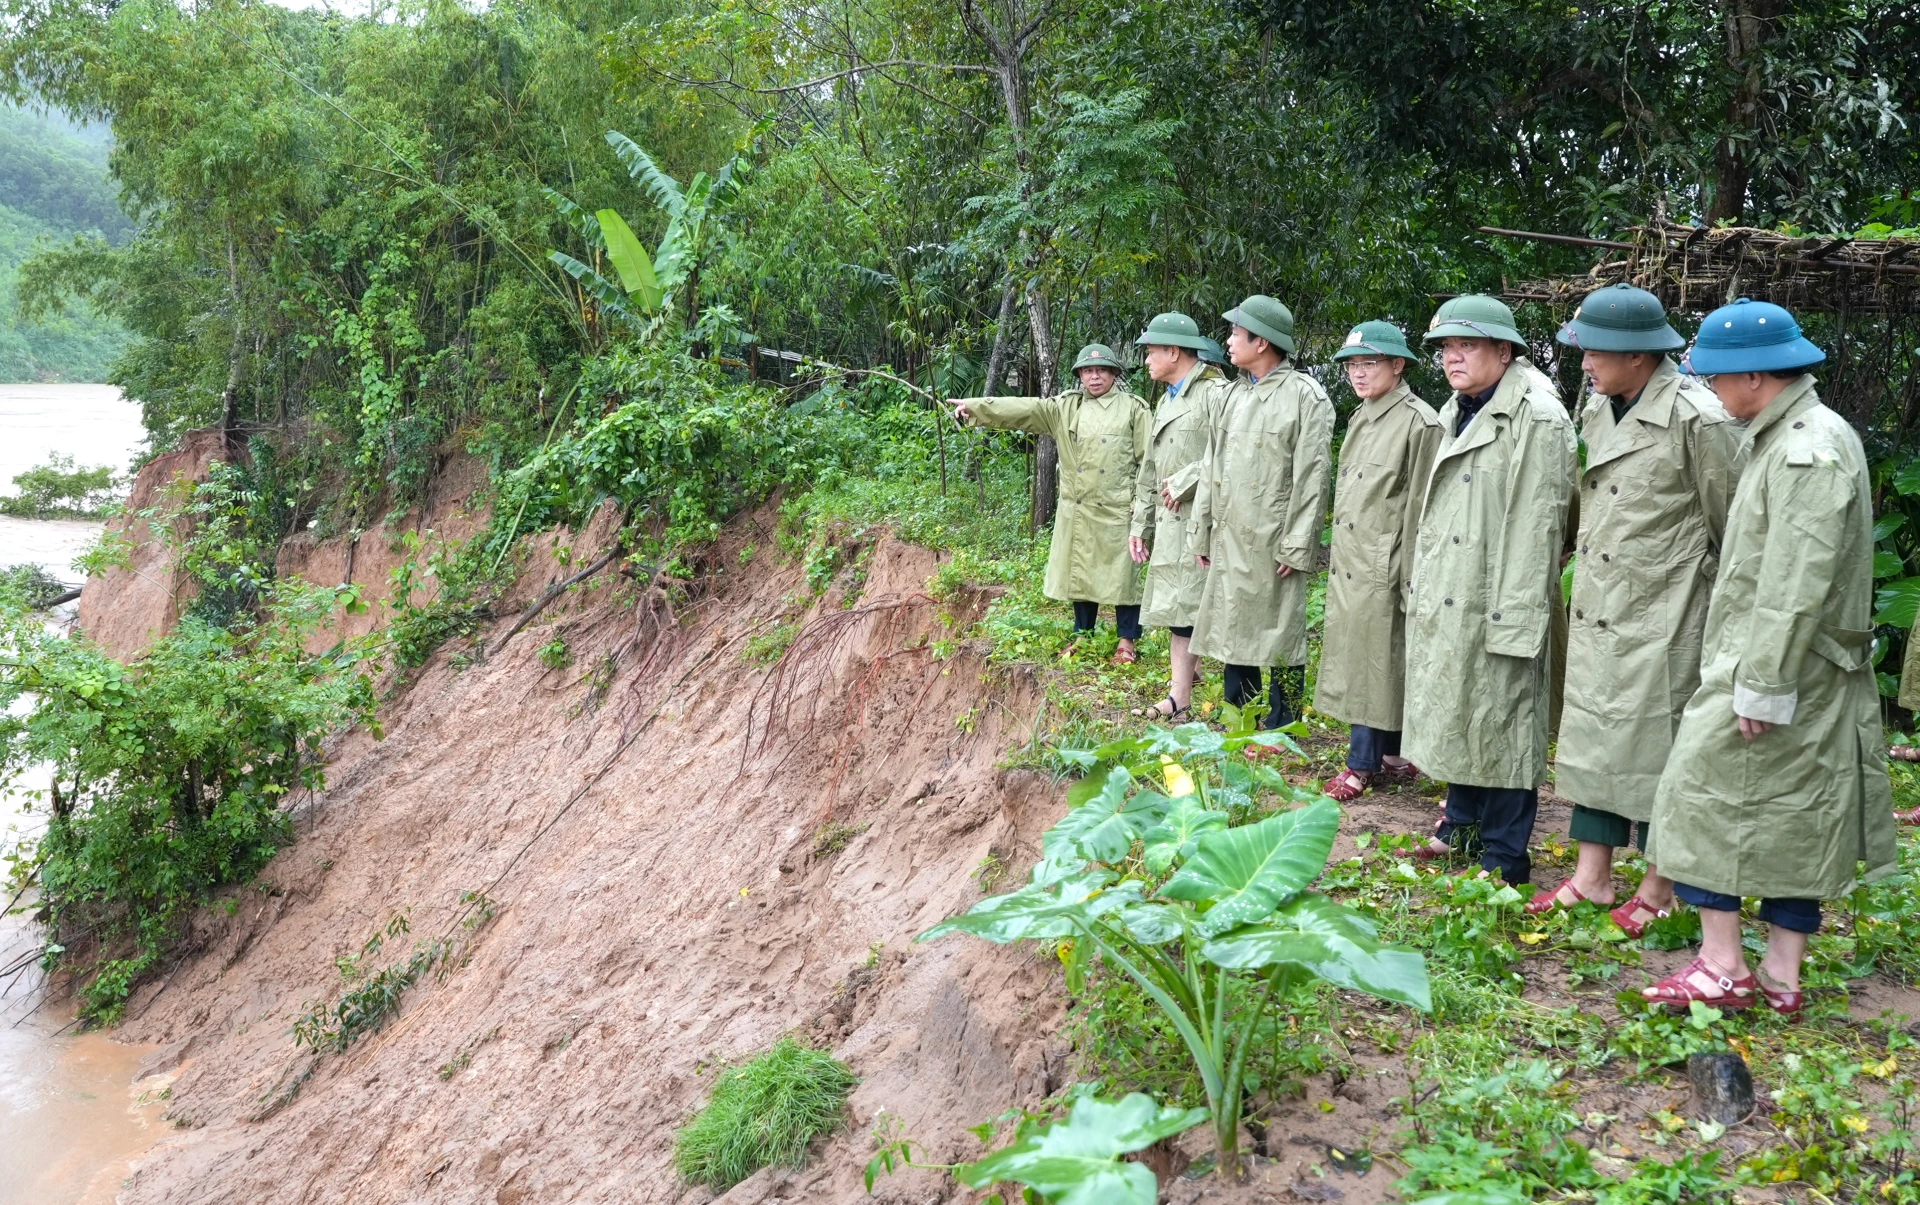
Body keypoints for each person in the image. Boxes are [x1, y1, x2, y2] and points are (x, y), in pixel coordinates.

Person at [1641, 299, 1897, 1015]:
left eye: (1717, 376)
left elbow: (1794, 578)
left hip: (1779, 665)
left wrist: (1763, 682)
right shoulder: (1791, 433)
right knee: (1797, 814)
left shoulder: (1804, 447)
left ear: (1754, 375)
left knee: (1697, 797)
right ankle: (1781, 976)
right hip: (1788, 663)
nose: (1712, 389)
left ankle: (1725, 965)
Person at [1527, 284, 1743, 933]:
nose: (1585, 361)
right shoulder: (1601, 406)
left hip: (1666, 616)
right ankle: (1591, 876)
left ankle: (1659, 886)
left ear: (1639, 356)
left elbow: (1734, 528)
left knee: (1659, 748)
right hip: (1601, 605)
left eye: (1596, 351)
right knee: (1594, 740)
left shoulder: (1699, 418)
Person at [1404, 295, 1577, 887]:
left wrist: (1518, 613)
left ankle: (1505, 855)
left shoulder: (1538, 414)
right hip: (1456, 580)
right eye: (1446, 347)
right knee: (1461, 702)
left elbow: (1541, 522)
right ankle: (1461, 823)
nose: (1452, 357)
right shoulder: (1461, 406)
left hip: (1502, 590)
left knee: (1506, 717)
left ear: (1504, 352)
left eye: (1467, 345)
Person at [952, 343, 1151, 663]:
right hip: (1079, 509)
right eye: (1088, 371)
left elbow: (1148, 461)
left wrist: (1142, 506)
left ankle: (1126, 643)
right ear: (1080, 375)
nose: (1095, 376)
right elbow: (1025, 409)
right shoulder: (1065, 407)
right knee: (1081, 573)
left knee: (1123, 578)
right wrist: (975, 408)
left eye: (1101, 370)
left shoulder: (1133, 409)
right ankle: (1082, 636)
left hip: (1118, 507)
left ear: (1114, 373)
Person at [1190, 295, 1334, 729]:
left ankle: (1284, 722)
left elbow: (1313, 477)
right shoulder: (1231, 394)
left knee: (1282, 631)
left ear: (1262, 342)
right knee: (1234, 624)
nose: (1229, 341)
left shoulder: (1305, 396)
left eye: (1236, 333)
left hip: (1274, 537)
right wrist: (1202, 530)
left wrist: (1298, 544)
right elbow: (1211, 467)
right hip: (1230, 533)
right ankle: (1240, 715)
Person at [1317, 321, 1443, 799]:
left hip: (1386, 563)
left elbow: (1423, 509)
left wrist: (1411, 576)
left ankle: (1361, 764)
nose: (1358, 373)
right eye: (1352, 364)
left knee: (1377, 659)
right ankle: (1391, 754)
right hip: (1352, 560)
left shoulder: (1420, 423)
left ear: (1398, 365)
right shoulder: (1362, 416)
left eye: (1369, 363)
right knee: (1370, 657)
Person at [1128, 313, 1232, 719]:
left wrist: (1188, 480)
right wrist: (1140, 524)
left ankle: (1231, 704)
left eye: (1152, 351)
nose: (1147, 360)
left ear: (1174, 352)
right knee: (1179, 610)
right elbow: (1150, 469)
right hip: (1171, 522)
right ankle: (1180, 696)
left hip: (1204, 521)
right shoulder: (1167, 398)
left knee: (1202, 608)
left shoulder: (1216, 393)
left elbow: (1232, 451)